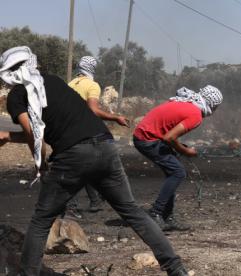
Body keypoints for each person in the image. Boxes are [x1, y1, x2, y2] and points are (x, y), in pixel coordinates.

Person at [0, 46, 188, 276]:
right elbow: (49, 128)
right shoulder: (54, 82)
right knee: (132, 211)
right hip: (105, 146)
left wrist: (40, 164)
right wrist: (9, 136)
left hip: (73, 155)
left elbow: (32, 132)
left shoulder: (17, 95)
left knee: (42, 219)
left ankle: (27, 273)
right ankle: (175, 267)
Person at [133, 85, 223, 231]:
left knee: (173, 172)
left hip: (146, 135)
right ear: (212, 104)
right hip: (147, 139)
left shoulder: (187, 103)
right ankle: (156, 214)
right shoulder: (196, 115)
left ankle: (168, 216)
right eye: (217, 107)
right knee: (177, 172)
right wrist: (185, 151)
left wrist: (180, 147)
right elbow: (169, 137)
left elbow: (168, 133)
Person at [65, 56, 129, 218]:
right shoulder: (92, 85)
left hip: (67, 131)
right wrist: (115, 118)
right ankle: (71, 207)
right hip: (83, 132)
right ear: (92, 68)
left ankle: (95, 201)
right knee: (78, 169)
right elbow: (93, 110)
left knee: (86, 166)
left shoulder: (70, 84)